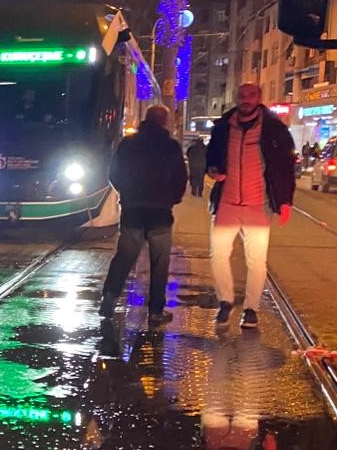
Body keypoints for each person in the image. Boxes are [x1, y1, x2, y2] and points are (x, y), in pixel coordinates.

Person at [206, 82, 296, 329]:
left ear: (259, 97)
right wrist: (213, 170)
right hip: (227, 201)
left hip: (259, 203)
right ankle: (226, 301)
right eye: (242, 95)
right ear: (236, 97)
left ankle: (251, 309)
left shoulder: (274, 129)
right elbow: (211, 156)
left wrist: (285, 201)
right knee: (218, 255)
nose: (246, 99)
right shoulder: (223, 127)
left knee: (256, 260)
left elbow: (286, 167)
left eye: (251, 95)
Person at [99, 105, 188, 329]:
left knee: (125, 256)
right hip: (160, 211)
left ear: (145, 120)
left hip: (133, 208)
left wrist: (127, 194)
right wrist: (172, 198)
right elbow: (180, 177)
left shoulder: (128, 144)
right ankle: (156, 311)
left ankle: (109, 298)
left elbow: (114, 173)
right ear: (165, 122)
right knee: (159, 263)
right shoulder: (171, 147)